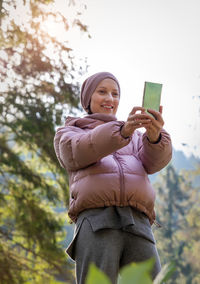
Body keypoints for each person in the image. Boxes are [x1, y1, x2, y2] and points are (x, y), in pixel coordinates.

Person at [54, 72, 172, 284]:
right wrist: (122, 131)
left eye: (115, 94)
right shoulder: (70, 132)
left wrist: (154, 137)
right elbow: (79, 151)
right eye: (102, 92)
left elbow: (154, 163)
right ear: (87, 99)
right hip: (96, 220)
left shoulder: (135, 136)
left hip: (138, 222)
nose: (110, 98)